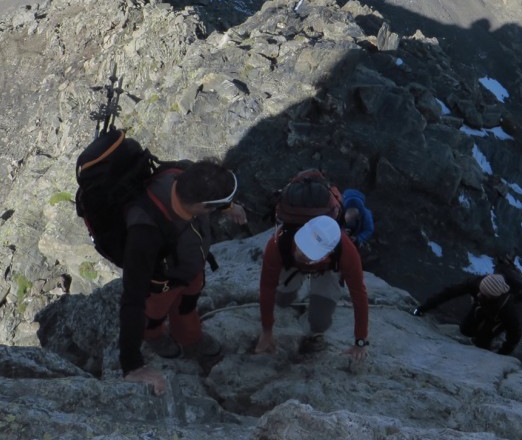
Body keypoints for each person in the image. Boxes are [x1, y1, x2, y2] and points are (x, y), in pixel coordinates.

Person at [120, 159, 246, 395]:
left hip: (190, 271)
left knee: (187, 307)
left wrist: (228, 206)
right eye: (217, 205)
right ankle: (155, 337)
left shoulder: (181, 174)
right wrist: (132, 364)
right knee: (153, 317)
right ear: (203, 206)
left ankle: (190, 338)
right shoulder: (145, 230)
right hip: (160, 284)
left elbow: (204, 193)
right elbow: (132, 298)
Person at [254, 215, 370, 365]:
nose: (302, 253)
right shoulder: (278, 242)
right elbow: (267, 286)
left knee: (319, 322)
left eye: (310, 252)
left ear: (328, 254)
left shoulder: (346, 252)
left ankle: (311, 315)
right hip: (290, 263)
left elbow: (359, 294)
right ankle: (295, 288)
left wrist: (360, 340)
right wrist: (267, 331)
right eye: (303, 245)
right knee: (282, 299)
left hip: (325, 270)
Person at [412, 267, 522, 355]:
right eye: (480, 292)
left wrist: (503, 353)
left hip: (496, 316)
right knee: (465, 330)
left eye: (484, 295)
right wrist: (423, 308)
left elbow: (514, 333)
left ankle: (489, 340)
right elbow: (448, 293)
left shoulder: (506, 307)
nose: (479, 294)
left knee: (482, 341)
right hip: (482, 306)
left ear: (494, 297)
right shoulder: (476, 283)